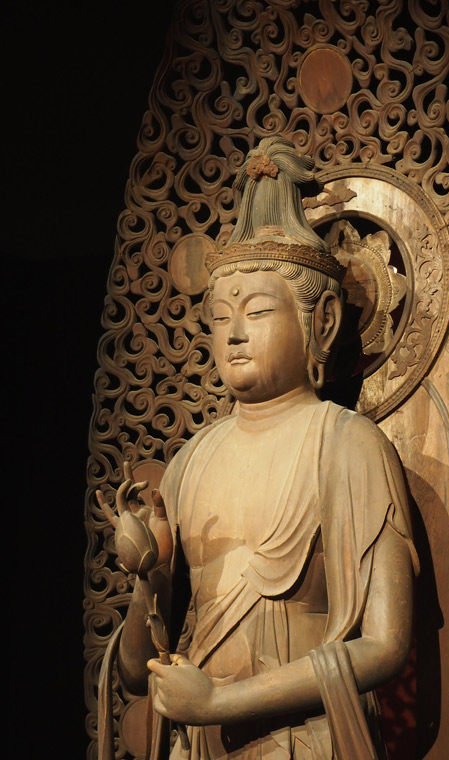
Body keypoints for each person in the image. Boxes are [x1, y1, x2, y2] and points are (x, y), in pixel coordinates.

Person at [98, 136, 417, 760]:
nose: (235, 334)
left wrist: (222, 702)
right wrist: (148, 576)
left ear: (322, 322)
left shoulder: (347, 444)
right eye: (220, 318)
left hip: (305, 741)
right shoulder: (191, 461)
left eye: (259, 311)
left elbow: (386, 645)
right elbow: (138, 673)